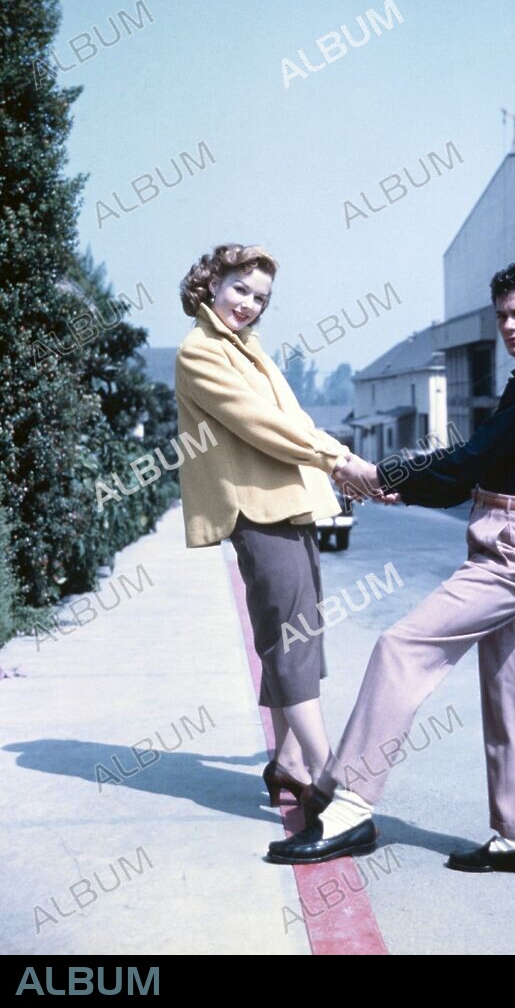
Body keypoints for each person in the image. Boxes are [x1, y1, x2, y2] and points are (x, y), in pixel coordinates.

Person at [267, 261, 515, 873]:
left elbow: (475, 459)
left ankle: (353, 803)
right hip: (510, 531)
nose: (510, 327)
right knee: (513, 688)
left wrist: (382, 476)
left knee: (400, 647)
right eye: (502, 317)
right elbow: (492, 469)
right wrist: (404, 487)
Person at [173, 243, 389, 825]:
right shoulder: (200, 352)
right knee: (290, 641)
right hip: (258, 512)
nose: (248, 304)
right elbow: (264, 427)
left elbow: (294, 420)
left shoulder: (249, 352)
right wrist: (338, 461)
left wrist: (344, 459)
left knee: (298, 636)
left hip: (289, 507)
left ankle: (289, 759)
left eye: (260, 298)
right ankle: (326, 776)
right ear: (211, 283)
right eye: (240, 288)